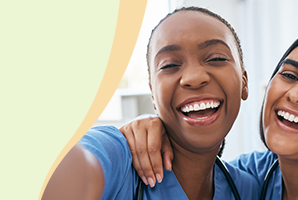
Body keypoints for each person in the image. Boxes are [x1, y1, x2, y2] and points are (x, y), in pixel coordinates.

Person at [120, 31, 298, 199]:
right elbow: (203, 173)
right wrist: (155, 128)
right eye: (289, 75)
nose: (296, 94)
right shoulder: (264, 172)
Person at [42, 6, 260, 200]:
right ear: (153, 95)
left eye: (216, 59)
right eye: (169, 65)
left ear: (244, 82)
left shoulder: (248, 188)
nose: (193, 77)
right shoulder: (116, 155)